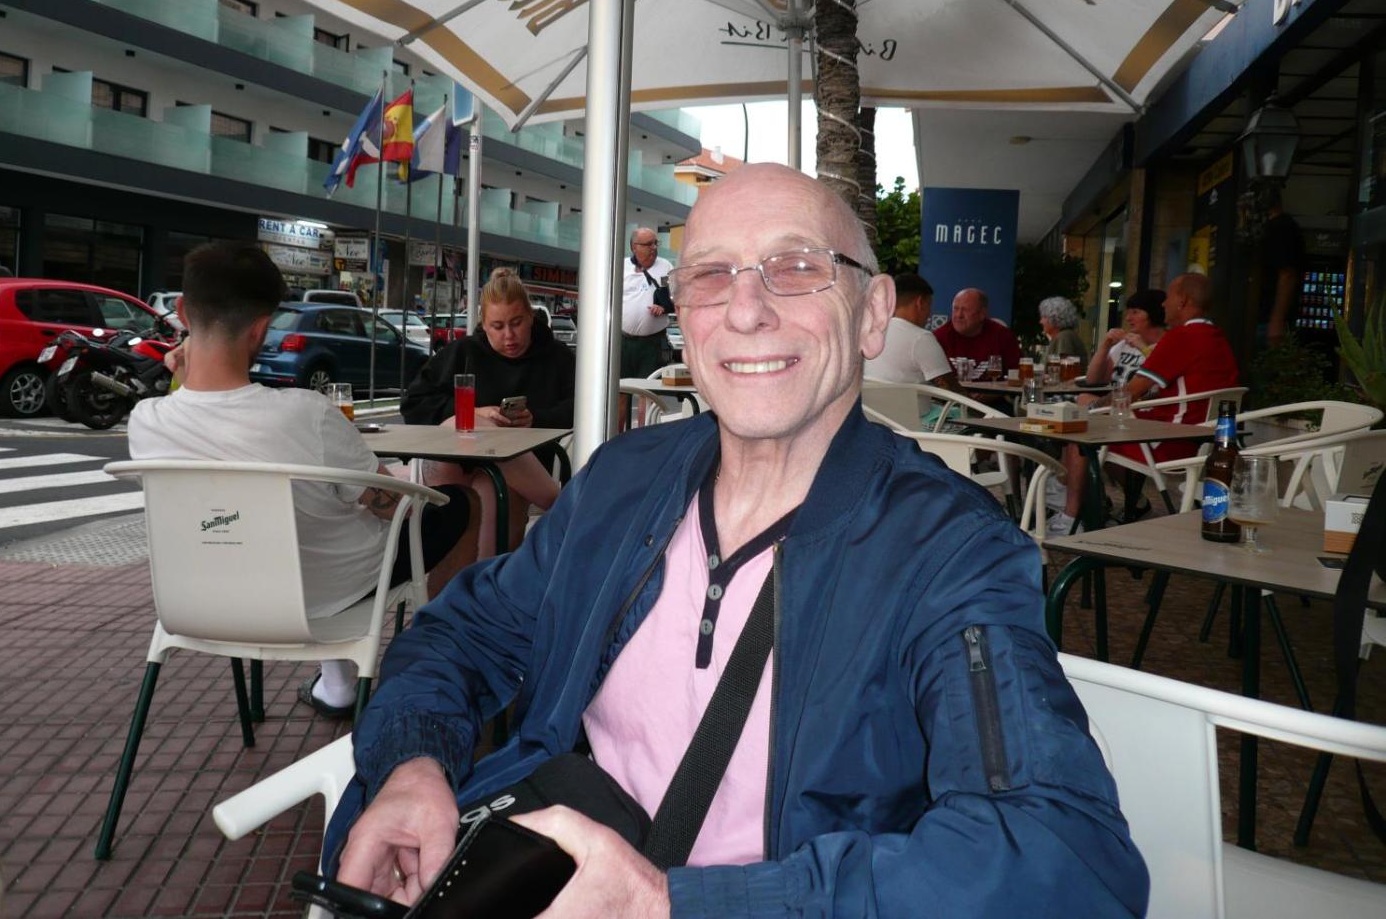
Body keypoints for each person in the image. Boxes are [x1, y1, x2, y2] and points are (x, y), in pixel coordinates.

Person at [322, 164, 1148, 917]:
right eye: (711, 275)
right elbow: (461, 636)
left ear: (872, 314)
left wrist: (671, 905)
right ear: (682, 315)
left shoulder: (947, 550)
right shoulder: (622, 483)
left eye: (797, 267)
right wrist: (413, 766)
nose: (747, 311)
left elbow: (1064, 858)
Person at [128, 242, 475, 718]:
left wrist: (183, 371)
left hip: (200, 603)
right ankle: (433, 661)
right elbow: (392, 506)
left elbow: (191, 407)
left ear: (183, 312)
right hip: (323, 600)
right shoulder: (306, 414)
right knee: (461, 503)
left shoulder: (146, 422)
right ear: (261, 328)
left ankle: (337, 685)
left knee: (311, 513)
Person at [401, 267, 574, 558]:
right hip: (458, 465)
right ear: (484, 323)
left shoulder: (557, 357)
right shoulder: (463, 353)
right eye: (497, 326)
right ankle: (562, 506)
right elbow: (414, 403)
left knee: (491, 492)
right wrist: (475, 412)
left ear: (531, 317)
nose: (509, 335)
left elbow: (580, 407)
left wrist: (536, 419)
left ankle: (479, 581)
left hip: (526, 470)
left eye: (517, 323)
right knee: (473, 427)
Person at [1048, 289, 1167, 535]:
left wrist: (1143, 347)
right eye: (1128, 312)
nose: (1129, 318)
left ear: (1154, 314)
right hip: (1114, 414)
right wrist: (1105, 345)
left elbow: (1159, 378)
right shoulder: (1124, 346)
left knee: (1080, 426)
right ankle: (1078, 493)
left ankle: (1070, 503)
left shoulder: (1165, 345)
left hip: (1140, 418)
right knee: (1078, 410)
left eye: (1136, 312)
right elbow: (1093, 378)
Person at [864, 272, 958, 389]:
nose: (929, 314)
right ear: (920, 302)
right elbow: (951, 389)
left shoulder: (871, 332)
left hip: (871, 401)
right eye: (929, 305)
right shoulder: (921, 338)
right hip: (907, 401)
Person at [1246, 182, 1305, 347]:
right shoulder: (1278, 227)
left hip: (1268, 319)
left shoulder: (1281, 228)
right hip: (1266, 318)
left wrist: (1276, 319)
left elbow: (1287, 274)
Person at [621, 226, 673, 378]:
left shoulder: (665, 267)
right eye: (648, 244)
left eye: (656, 243)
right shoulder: (622, 266)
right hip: (624, 341)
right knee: (621, 385)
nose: (654, 247)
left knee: (648, 386)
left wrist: (663, 307)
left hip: (653, 343)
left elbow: (675, 298)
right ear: (634, 247)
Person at [933, 287, 1021, 374]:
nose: (959, 315)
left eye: (965, 310)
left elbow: (1017, 374)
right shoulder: (939, 337)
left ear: (982, 314)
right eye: (955, 309)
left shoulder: (1003, 337)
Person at [1037, 296, 1087, 368]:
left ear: (1054, 318)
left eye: (1044, 317)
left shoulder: (1064, 336)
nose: (1040, 321)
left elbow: (1063, 370)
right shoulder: (1063, 335)